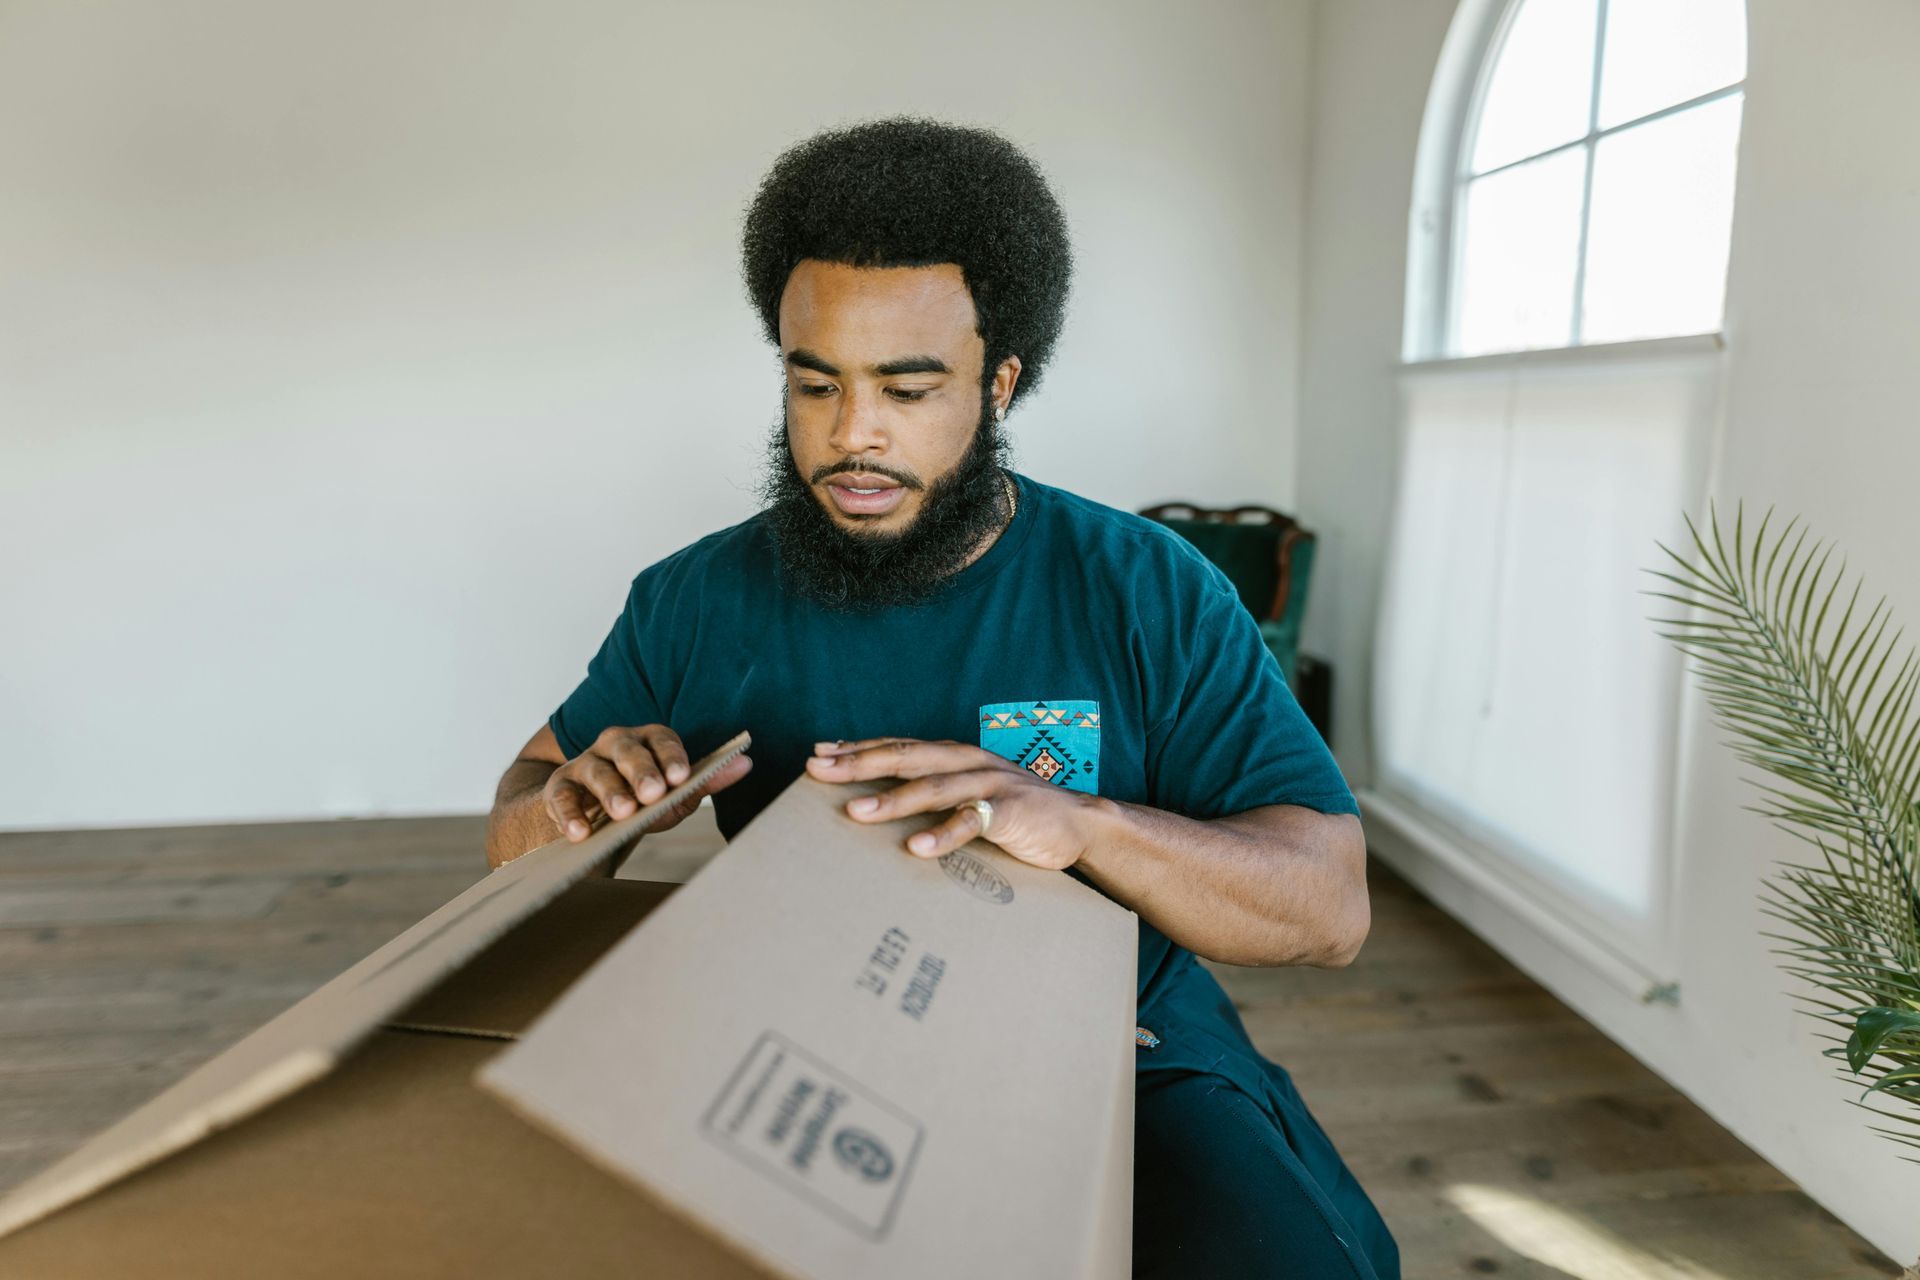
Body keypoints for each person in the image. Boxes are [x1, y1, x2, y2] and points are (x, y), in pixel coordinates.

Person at [484, 117, 1400, 1280]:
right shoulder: (695, 598)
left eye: (907, 389)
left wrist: (1085, 823)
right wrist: (573, 804)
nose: (851, 435)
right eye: (813, 384)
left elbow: (1330, 905)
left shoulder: (1148, 588)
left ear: (1000, 380)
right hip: (801, 1046)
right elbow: (513, 820)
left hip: (1120, 1047)